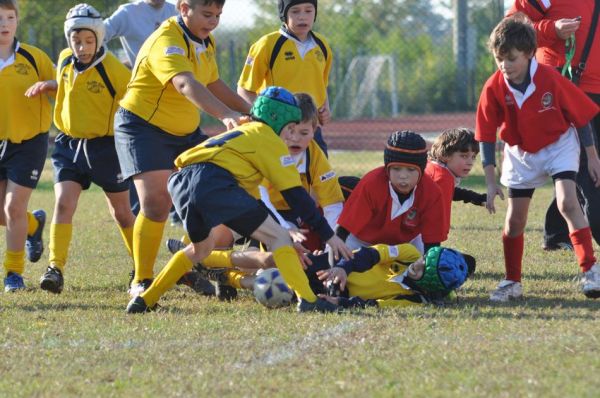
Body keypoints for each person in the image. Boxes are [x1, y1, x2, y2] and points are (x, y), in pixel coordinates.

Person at [125, 86, 352, 314]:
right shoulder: (269, 140)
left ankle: (145, 300)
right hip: (214, 181)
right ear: (277, 120)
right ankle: (309, 300)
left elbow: (253, 202)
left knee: (199, 250)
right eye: (290, 128)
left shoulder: (243, 135)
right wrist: (328, 236)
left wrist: (277, 237)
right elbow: (297, 197)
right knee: (280, 237)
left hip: (182, 181)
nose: (292, 136)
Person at [113, 0, 251, 298]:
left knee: (213, 192)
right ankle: (142, 279)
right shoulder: (167, 40)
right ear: (183, 7)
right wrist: (225, 115)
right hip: (142, 127)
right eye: (206, 14)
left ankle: (199, 259)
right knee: (156, 202)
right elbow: (185, 84)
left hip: (184, 131)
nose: (213, 22)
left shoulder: (205, 40)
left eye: (217, 15)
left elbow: (212, 82)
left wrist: (252, 109)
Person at [476, 16, 600, 302]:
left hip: (558, 144)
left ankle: (590, 270)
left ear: (530, 53)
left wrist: (592, 157)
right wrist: (491, 182)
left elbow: (580, 117)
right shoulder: (494, 87)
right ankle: (512, 282)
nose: (505, 65)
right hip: (521, 153)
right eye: (499, 59)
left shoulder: (549, 77)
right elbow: (485, 134)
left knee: (568, 202)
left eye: (511, 58)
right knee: (514, 221)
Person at [33, 4, 135, 294]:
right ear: (69, 41)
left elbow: (134, 103)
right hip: (67, 146)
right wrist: (47, 85)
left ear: (100, 38)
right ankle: (55, 268)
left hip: (106, 149)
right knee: (64, 204)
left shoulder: (115, 71)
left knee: (122, 214)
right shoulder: (65, 60)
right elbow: (67, 87)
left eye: (89, 41)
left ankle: (142, 266)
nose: (82, 47)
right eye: (76, 41)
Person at [508, 1, 600, 251]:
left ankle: (557, 232)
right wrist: (552, 30)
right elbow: (511, 30)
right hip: (568, 87)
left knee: (575, 167)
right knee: (588, 170)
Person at [194, 244, 473, 309]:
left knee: (278, 288)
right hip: (338, 261)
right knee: (274, 258)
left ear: (431, 282)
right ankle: (204, 256)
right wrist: (342, 267)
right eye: (425, 258)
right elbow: (370, 254)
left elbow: (369, 306)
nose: (418, 264)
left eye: (424, 267)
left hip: (338, 290)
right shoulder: (410, 253)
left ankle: (226, 277)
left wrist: (335, 302)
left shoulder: (414, 300)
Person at [0, 0, 55, 292]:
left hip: (29, 142)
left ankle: (13, 274)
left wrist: (48, 85)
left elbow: (64, 82)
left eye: (10, 18)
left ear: (17, 22)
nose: (4, 24)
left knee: (12, 206)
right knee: (6, 212)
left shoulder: (34, 57)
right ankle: (33, 225)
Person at [237, 0, 331, 154]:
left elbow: (322, 84)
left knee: (317, 176)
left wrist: (326, 108)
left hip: (310, 130)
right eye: (295, 11)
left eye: (308, 11)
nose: (302, 17)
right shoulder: (267, 44)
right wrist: (264, 117)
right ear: (284, 14)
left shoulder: (322, 45)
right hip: (278, 130)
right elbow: (245, 90)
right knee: (279, 176)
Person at [336, 130, 446, 254]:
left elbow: (432, 240)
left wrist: (428, 264)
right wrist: (334, 259)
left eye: (411, 170)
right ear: (387, 168)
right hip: (363, 243)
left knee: (434, 263)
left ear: (421, 169)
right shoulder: (371, 184)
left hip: (406, 244)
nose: (403, 176)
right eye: (396, 169)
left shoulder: (432, 192)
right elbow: (344, 229)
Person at [259, 93, 344, 251]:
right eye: (290, 131)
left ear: (314, 131)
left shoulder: (315, 155)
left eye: (304, 133)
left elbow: (332, 204)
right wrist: (283, 228)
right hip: (253, 206)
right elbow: (259, 196)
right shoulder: (269, 150)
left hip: (291, 212)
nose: (295, 138)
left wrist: (331, 247)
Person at [425, 127, 486, 240]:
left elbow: (451, 192)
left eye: (473, 157)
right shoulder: (442, 178)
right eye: (464, 156)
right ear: (445, 155)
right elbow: (434, 219)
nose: (470, 162)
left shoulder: (434, 169)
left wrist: (475, 197)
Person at [104, 0, 177, 68]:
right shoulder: (127, 12)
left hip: (175, 75)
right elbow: (97, 34)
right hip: (143, 79)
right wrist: (114, 67)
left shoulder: (177, 12)